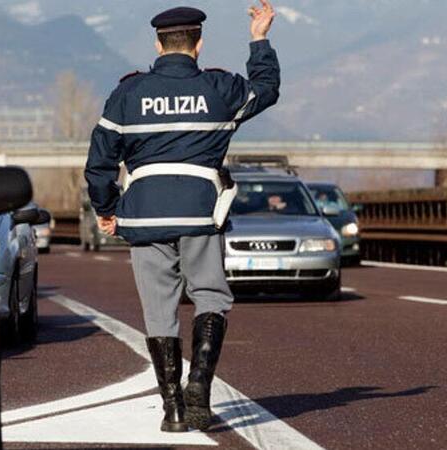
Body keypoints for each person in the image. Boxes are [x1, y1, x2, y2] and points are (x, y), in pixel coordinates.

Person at [85, 1, 280, 432]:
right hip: (199, 211)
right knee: (210, 297)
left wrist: (106, 209)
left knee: (159, 312)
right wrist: (259, 38)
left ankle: (172, 410)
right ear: (199, 43)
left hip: (145, 217)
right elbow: (265, 89)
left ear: (158, 44)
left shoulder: (126, 95)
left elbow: (99, 162)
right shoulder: (220, 89)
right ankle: (199, 391)